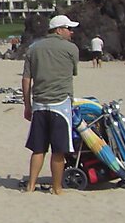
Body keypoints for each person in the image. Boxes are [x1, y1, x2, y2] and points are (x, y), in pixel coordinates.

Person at [22, 15, 81, 195]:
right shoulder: (71, 49)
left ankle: (30, 186)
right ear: (59, 30)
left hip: (39, 103)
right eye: (69, 28)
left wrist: (27, 105)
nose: (72, 32)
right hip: (60, 104)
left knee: (38, 149)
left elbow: (26, 79)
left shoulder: (33, 49)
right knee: (59, 151)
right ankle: (57, 188)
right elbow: (73, 72)